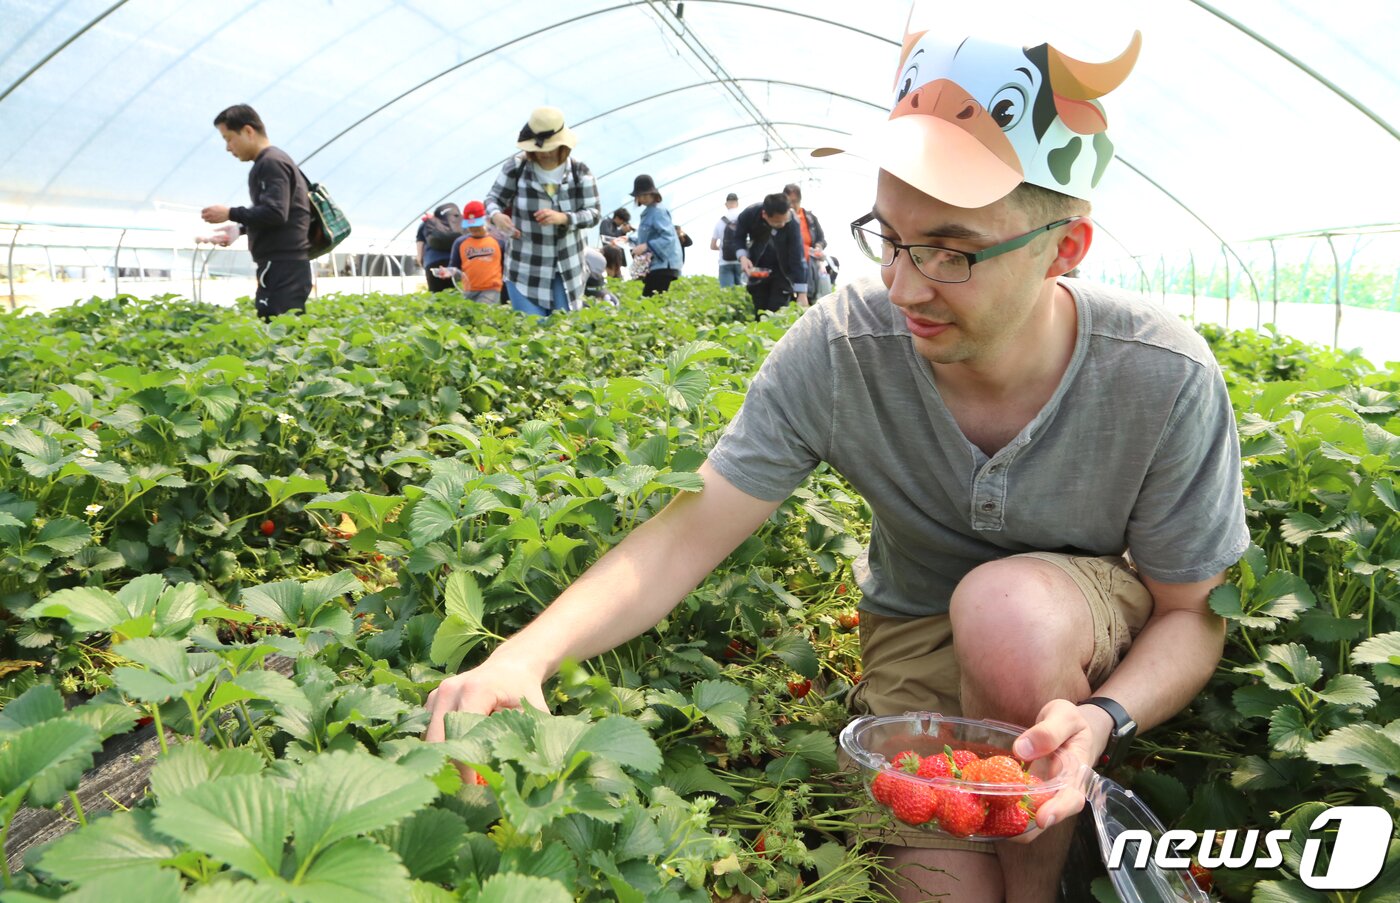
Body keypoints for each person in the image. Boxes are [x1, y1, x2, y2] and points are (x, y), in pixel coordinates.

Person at [426, 21, 1246, 903]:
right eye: (889, 237)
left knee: (1007, 613)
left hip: (1069, 631)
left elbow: (1193, 614)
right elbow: (690, 530)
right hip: (916, 634)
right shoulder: (846, 344)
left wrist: (1101, 715)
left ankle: (1040, 884)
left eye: (951, 251)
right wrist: (524, 655)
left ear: (1065, 250)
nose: (904, 285)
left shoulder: (1160, 375)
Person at [200, 104, 313, 321]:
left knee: (278, 328)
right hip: (285, 265)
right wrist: (239, 229)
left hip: (282, 265)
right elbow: (279, 212)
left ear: (248, 131)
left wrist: (231, 213)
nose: (228, 147)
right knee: (285, 328)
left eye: (228, 138)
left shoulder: (270, 163)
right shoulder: (275, 160)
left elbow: (275, 212)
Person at [485, 106, 601, 317]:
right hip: (524, 265)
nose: (545, 152)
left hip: (565, 269)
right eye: (540, 148)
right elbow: (493, 199)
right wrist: (497, 216)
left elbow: (594, 214)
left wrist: (564, 218)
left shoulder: (579, 172)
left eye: (552, 147)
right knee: (532, 331)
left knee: (562, 331)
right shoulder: (516, 167)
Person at [722, 193, 807, 317]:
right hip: (758, 268)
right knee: (760, 308)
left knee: (778, 311)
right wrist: (743, 257)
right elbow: (738, 237)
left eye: (785, 220)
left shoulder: (792, 221)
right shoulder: (750, 214)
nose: (783, 225)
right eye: (778, 222)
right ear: (765, 215)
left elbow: (797, 256)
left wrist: (802, 292)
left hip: (782, 271)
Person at [627, 174, 684, 297]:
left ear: (654, 194)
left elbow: (668, 237)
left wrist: (646, 246)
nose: (644, 198)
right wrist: (628, 240)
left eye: (646, 194)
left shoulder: (658, 211)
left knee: (650, 300)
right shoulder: (649, 212)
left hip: (664, 265)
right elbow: (648, 238)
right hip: (657, 265)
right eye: (640, 195)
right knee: (653, 299)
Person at [446, 200, 504, 304]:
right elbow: (454, 266)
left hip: (491, 289)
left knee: (482, 312)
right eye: (470, 225)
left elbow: (505, 267)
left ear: (485, 220)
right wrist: (448, 272)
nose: (473, 228)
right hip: (468, 290)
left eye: (477, 224)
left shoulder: (498, 242)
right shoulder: (460, 243)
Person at [784, 183, 832, 300]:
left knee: (809, 295)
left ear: (800, 201)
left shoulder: (809, 218)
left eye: (794, 201)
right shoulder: (781, 218)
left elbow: (821, 238)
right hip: (789, 264)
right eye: (788, 202)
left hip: (809, 263)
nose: (791, 205)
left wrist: (818, 246)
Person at [418, 203, 461, 293]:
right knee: (457, 296)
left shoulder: (427, 223)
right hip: (455, 264)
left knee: (436, 297)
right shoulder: (459, 223)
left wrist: (423, 264)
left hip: (433, 263)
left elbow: (419, 256)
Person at [711, 192, 745, 288]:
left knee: (727, 294)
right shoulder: (743, 218)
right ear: (737, 203)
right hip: (741, 260)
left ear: (726, 204)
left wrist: (722, 248)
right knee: (742, 294)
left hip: (724, 261)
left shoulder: (720, 221)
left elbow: (712, 245)